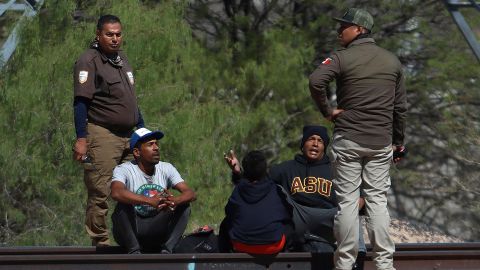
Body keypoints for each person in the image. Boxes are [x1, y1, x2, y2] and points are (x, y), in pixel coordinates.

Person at [309, 8, 407, 270]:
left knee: (348, 203)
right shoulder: (392, 61)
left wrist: (328, 112)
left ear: (360, 30)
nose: (339, 30)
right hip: (380, 142)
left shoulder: (342, 58)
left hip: (349, 140)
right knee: (377, 201)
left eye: (344, 26)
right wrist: (398, 142)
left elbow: (316, 81)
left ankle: (344, 265)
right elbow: (400, 108)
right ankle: (385, 265)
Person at [225, 126, 367, 269]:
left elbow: (360, 197)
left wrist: (355, 206)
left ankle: (359, 258)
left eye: (320, 141)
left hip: (327, 217)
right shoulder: (286, 168)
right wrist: (238, 173)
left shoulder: (335, 169)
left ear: (324, 147)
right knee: (277, 189)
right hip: (297, 214)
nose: (315, 144)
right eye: (311, 139)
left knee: (351, 207)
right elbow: (258, 183)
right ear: (303, 144)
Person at [72, 14, 145, 246]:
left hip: (129, 135)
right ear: (98, 34)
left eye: (118, 34)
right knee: (100, 190)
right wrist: (81, 138)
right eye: (109, 34)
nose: (115, 39)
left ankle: (134, 239)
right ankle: (100, 242)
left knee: (136, 188)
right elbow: (81, 103)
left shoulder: (121, 58)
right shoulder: (89, 60)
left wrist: (142, 131)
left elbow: (131, 100)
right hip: (102, 134)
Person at [110, 128, 196, 254]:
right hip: (132, 230)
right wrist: (149, 201)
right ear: (137, 152)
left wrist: (175, 201)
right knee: (122, 205)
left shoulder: (166, 168)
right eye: (150, 145)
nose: (156, 148)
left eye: (157, 144)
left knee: (184, 206)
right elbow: (116, 192)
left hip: (155, 228)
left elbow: (190, 193)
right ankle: (134, 251)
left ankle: (167, 250)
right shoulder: (124, 169)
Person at [219, 150, 291, 254]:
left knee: (225, 223)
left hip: (241, 246)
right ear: (265, 169)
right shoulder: (275, 189)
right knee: (290, 224)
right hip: (272, 247)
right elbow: (287, 214)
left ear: (245, 170)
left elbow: (229, 212)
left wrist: (237, 173)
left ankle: (224, 260)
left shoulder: (238, 190)